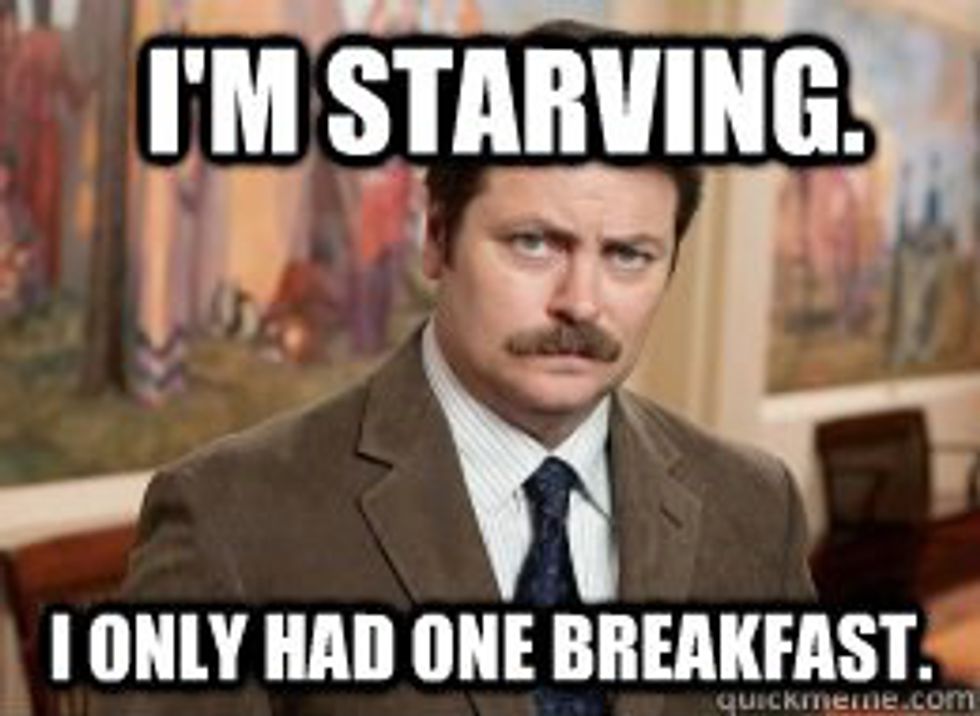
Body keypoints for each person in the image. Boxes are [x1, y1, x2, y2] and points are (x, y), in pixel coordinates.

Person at [97, 21, 814, 716]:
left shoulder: (757, 505)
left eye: (629, 255)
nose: (581, 302)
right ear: (437, 236)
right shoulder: (230, 517)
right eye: (534, 243)